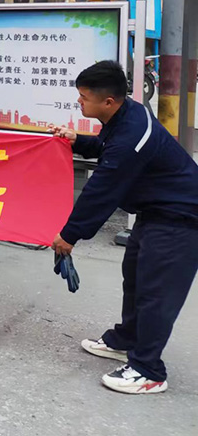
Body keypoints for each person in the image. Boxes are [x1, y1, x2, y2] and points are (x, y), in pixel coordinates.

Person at [49, 60, 198, 395]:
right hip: (156, 211)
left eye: (84, 97)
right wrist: (79, 140)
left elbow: (101, 189)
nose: (79, 102)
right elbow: (107, 147)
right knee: (135, 280)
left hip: (182, 218)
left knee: (156, 293)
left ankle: (149, 370)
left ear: (108, 101)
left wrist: (69, 235)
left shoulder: (131, 135)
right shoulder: (126, 114)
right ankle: (127, 339)